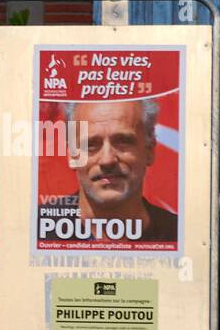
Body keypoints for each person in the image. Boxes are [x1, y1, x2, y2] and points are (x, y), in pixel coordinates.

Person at [37, 98, 177, 243]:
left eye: (123, 141)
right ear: (72, 155)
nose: (107, 160)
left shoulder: (180, 237)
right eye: (91, 144)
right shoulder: (32, 232)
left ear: (149, 151)